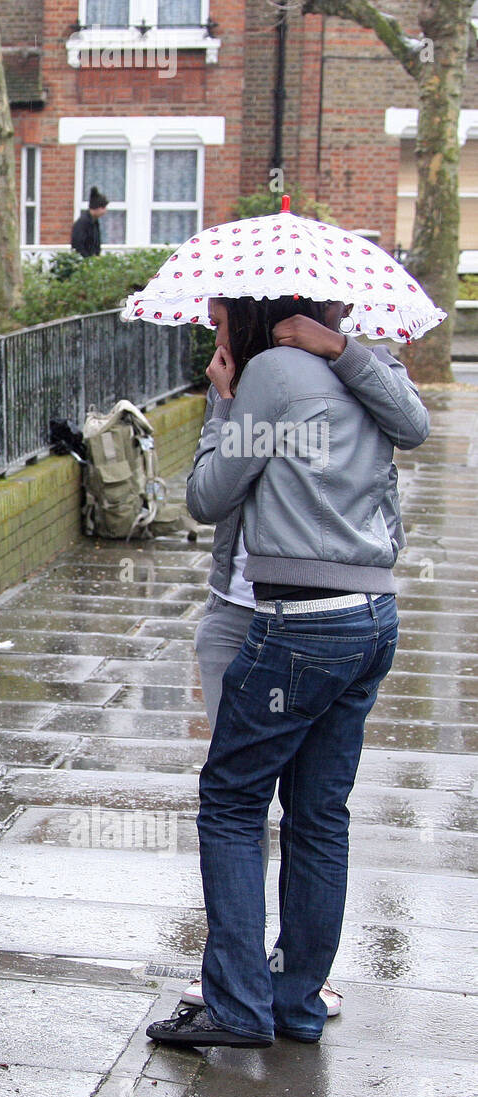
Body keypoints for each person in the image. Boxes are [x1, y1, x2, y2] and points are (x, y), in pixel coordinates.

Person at [147, 294, 428, 1048]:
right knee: (319, 815)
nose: (213, 328)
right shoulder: (368, 367)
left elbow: (208, 496)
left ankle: (237, 1005)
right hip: (374, 616)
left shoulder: (272, 373)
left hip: (303, 623)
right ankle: (298, 1002)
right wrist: (344, 351)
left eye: (219, 314)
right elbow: (415, 426)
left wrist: (224, 399)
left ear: (255, 309)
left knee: (233, 804)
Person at [70, 186, 108, 258]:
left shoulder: (95, 222)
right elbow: (78, 245)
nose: (105, 211)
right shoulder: (82, 223)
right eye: (103, 208)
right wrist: (88, 258)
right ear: (96, 208)